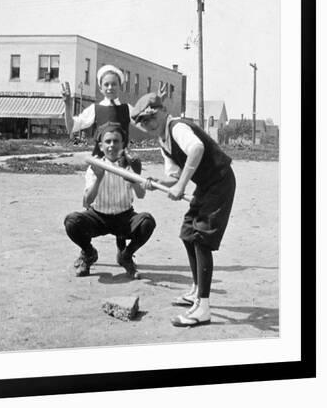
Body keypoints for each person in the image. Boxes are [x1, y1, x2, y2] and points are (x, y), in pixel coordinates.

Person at [132, 93, 236, 327]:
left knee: (201, 238)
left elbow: (197, 149)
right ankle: (197, 288)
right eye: (142, 122)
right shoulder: (163, 140)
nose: (147, 125)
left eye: (149, 118)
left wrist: (180, 186)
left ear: (160, 112)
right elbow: (174, 175)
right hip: (206, 185)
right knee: (188, 233)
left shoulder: (177, 127)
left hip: (220, 181)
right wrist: (153, 181)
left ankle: (203, 307)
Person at [62, 64, 142, 259]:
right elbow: (72, 126)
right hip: (100, 163)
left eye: (114, 84)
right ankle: (86, 251)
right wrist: (68, 104)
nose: (110, 88)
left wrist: (157, 104)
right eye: (106, 84)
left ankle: (123, 251)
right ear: (100, 87)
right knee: (94, 203)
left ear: (119, 86)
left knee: (121, 204)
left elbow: (145, 123)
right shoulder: (95, 109)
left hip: (122, 162)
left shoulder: (127, 108)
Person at [63, 122, 156, 279]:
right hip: (98, 216)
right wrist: (99, 178)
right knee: (72, 222)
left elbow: (140, 195)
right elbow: (87, 202)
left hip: (124, 217)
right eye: (108, 141)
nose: (112, 145)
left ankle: (126, 256)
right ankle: (89, 253)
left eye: (116, 141)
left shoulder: (130, 166)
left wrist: (133, 180)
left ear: (123, 145)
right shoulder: (95, 166)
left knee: (147, 221)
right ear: (101, 146)